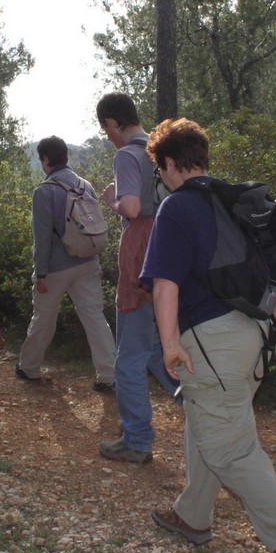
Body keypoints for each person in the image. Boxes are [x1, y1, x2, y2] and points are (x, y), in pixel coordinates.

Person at [140, 118, 276, 553]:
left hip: (209, 339)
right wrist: (273, 326)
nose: (161, 177)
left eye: (160, 169)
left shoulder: (177, 207)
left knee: (230, 446)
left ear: (169, 163)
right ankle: (192, 515)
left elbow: (164, 285)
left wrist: (169, 344)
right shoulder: (237, 201)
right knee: (209, 421)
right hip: (253, 335)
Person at [96, 91, 180, 464]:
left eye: (106, 129)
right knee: (158, 347)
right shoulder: (159, 148)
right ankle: (203, 407)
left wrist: (112, 199)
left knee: (129, 356)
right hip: (169, 248)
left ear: (113, 123)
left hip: (141, 252)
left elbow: (131, 207)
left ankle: (137, 440)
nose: (108, 136)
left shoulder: (127, 155)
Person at [17, 135, 117, 391]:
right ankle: (108, 375)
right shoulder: (85, 186)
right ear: (66, 156)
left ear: (46, 159)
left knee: (43, 317)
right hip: (88, 261)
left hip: (56, 268)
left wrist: (40, 273)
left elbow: (41, 238)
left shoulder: (45, 190)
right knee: (95, 318)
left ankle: (29, 367)